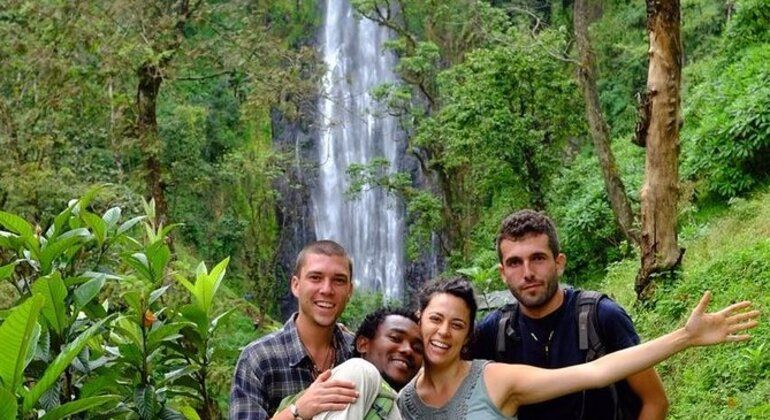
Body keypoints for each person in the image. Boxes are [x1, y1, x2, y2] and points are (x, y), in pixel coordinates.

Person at [397, 277, 758, 419]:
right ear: (419, 318)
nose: (444, 332)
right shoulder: (403, 400)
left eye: (457, 324)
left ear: (469, 334)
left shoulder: (496, 380)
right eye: (435, 319)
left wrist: (685, 337)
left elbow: (595, 372)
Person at [471, 210, 667, 419]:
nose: (527, 273)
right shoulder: (494, 332)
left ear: (559, 263)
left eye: (538, 258)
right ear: (503, 273)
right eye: (515, 262)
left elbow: (655, 401)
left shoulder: (601, 317)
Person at [230, 240, 359, 420]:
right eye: (315, 277)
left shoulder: (358, 352)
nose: (327, 289)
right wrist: (296, 410)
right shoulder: (258, 359)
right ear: (296, 285)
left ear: (349, 291)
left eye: (338, 280)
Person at [276, 307, 424, 419]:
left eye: (418, 348)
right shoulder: (360, 370)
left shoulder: (394, 404)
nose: (408, 350)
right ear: (363, 345)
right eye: (395, 338)